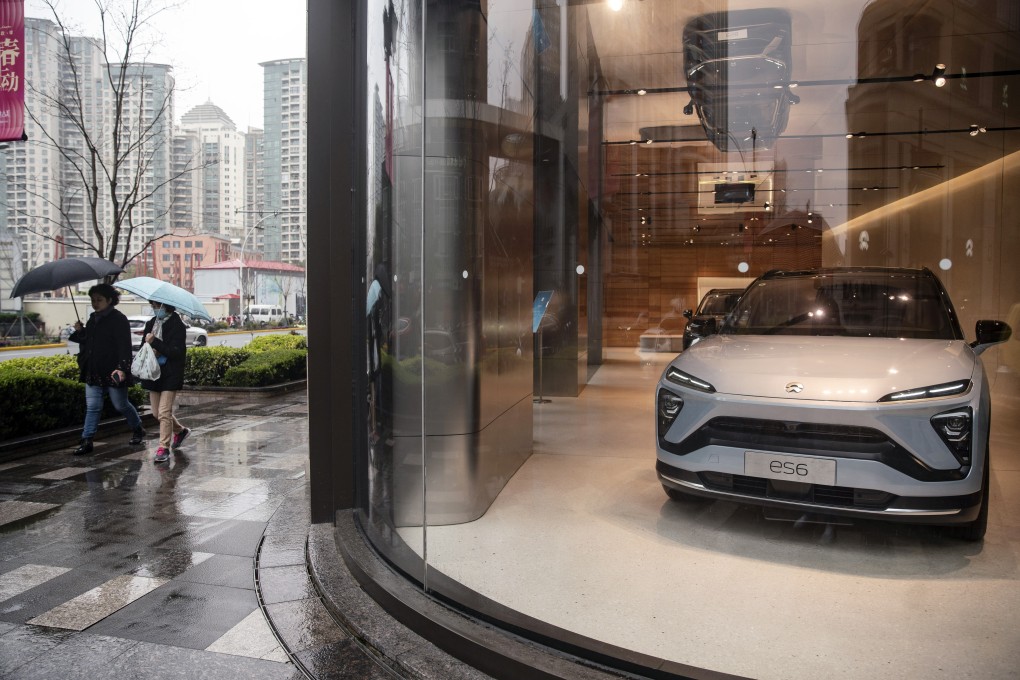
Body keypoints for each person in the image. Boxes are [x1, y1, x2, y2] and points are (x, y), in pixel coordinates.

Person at [68, 283, 146, 456]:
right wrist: (82, 331)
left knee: (121, 405)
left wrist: (122, 368)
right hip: (93, 370)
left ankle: (138, 428)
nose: (95, 303)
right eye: (93, 300)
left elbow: (124, 346)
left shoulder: (119, 319)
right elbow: (90, 342)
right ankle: (87, 440)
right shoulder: (93, 319)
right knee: (93, 406)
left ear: (110, 300)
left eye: (99, 300)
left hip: (113, 371)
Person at [140, 301, 191, 463]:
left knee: (163, 412)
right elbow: (144, 347)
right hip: (154, 373)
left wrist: (155, 343)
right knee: (157, 413)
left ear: (166, 306)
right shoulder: (151, 324)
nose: (155, 309)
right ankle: (180, 431)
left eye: (157, 305)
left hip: (171, 373)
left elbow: (176, 353)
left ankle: (163, 448)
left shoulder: (177, 326)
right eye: (153, 305)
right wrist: (149, 346)